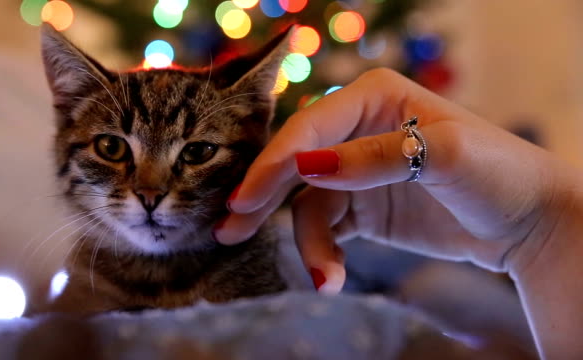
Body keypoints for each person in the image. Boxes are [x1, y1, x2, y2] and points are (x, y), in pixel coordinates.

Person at [212, 68, 583, 360]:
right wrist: (543, 223)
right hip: (431, 240)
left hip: (483, 272)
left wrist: (545, 229)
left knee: (438, 287)